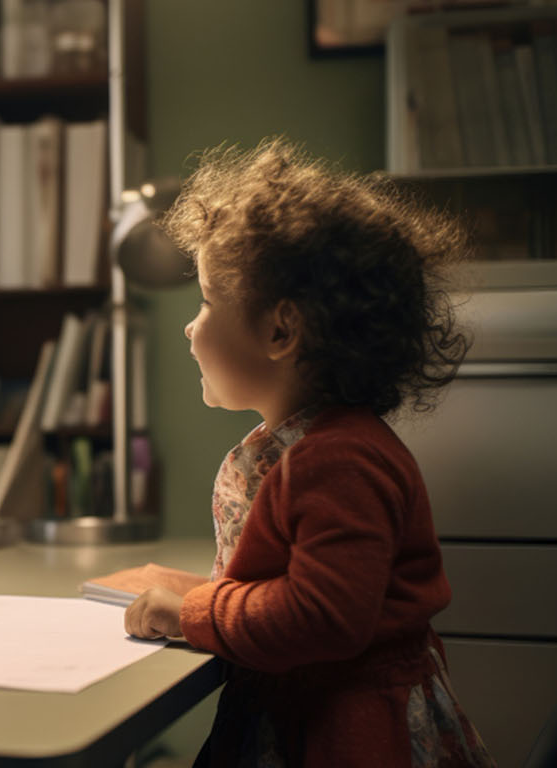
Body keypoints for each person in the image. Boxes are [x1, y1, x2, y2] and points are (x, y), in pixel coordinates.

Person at [104, 138, 495, 766]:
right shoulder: (315, 445)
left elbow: (323, 615)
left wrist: (194, 612)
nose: (190, 325)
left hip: (349, 734)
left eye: (206, 301)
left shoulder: (339, 461)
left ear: (281, 330)